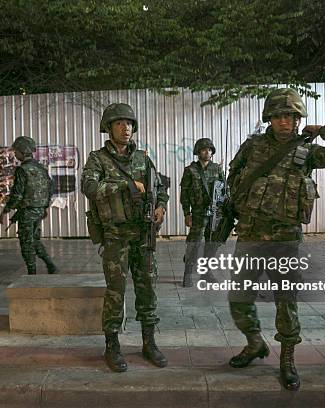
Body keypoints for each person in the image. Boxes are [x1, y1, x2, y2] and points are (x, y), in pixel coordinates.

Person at [225, 88, 325, 390]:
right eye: (280, 116)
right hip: (251, 235)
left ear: (298, 119)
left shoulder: (307, 151)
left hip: (285, 238)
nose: (285, 121)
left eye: (291, 116)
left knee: (286, 302)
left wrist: (324, 131)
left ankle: (287, 358)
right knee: (239, 297)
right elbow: (233, 176)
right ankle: (255, 343)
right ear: (269, 118)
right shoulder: (253, 146)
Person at [81, 103, 168, 372]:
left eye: (129, 123)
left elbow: (160, 186)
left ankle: (149, 342)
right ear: (108, 128)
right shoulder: (98, 159)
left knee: (147, 289)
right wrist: (126, 185)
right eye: (119, 123)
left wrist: (161, 206)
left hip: (143, 235)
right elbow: (89, 186)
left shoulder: (143, 158)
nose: (126, 127)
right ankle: (112, 345)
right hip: (116, 236)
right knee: (115, 292)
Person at [0, 136, 58, 275]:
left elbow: (17, 194)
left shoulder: (22, 170)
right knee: (34, 240)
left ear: (22, 151)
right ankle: (50, 265)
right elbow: (50, 188)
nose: (15, 154)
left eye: (16, 151)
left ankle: (32, 273)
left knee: (26, 243)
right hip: (39, 210)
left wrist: (5, 211)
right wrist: (44, 207)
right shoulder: (41, 168)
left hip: (27, 212)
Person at [180, 138, 225, 287]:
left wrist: (223, 208)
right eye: (204, 149)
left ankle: (206, 273)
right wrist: (187, 213)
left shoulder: (217, 169)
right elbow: (184, 194)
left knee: (212, 243)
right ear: (198, 152)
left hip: (214, 214)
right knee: (194, 243)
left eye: (210, 149)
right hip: (198, 213)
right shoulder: (190, 170)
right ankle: (188, 273)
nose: (207, 152)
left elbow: (225, 190)